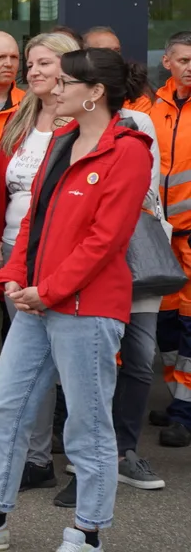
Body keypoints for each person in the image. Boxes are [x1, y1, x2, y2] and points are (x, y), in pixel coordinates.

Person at [0, 48, 153, 552]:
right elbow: (32, 219)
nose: (54, 88)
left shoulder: (129, 151)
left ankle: (88, 533)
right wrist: (13, 274)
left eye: (66, 81)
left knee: (87, 424)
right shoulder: (61, 140)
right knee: (4, 408)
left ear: (95, 93)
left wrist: (45, 289)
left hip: (86, 309)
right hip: (37, 301)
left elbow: (106, 240)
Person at [0, 32, 80, 493]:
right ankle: (36, 461)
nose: (32, 71)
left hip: (63, 255)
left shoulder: (83, 120)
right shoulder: (21, 116)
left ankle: (82, 467)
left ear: (69, 69)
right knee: (29, 366)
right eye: (29, 64)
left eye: (43, 63)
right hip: (17, 253)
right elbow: (0, 180)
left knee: (71, 366)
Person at [151, 31, 191, 449]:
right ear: (168, 62)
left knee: (190, 325)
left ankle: (184, 412)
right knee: (163, 324)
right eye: (183, 60)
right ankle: (178, 398)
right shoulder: (152, 108)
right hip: (160, 234)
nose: (190, 67)